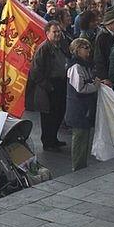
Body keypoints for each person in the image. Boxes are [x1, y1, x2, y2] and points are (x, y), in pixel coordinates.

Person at [27, 22, 69, 151]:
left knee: (59, 112)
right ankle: (48, 142)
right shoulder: (43, 48)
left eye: (58, 32)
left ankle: (54, 138)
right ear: (47, 33)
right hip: (49, 86)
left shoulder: (61, 45)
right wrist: (48, 86)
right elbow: (35, 71)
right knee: (49, 116)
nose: (57, 34)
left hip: (61, 83)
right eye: (54, 32)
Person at [64, 38, 99, 171]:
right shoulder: (75, 67)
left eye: (89, 47)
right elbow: (80, 87)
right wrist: (95, 86)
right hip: (78, 109)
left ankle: (81, 165)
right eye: (85, 47)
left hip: (84, 109)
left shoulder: (85, 65)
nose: (88, 50)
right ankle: (78, 166)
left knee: (84, 138)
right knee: (79, 139)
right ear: (77, 49)